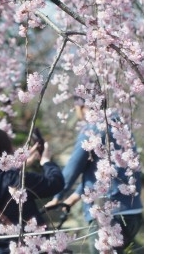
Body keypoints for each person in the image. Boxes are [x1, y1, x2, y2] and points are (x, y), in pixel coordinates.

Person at [45, 95, 143, 254]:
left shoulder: (93, 128)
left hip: (108, 214)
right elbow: (104, 172)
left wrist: (56, 194)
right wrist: (73, 197)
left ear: (81, 106)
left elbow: (73, 167)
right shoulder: (120, 126)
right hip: (133, 211)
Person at [0, 126, 65, 254]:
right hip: (27, 248)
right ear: (5, 149)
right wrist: (46, 162)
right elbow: (55, 183)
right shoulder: (18, 180)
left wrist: (18, 166)